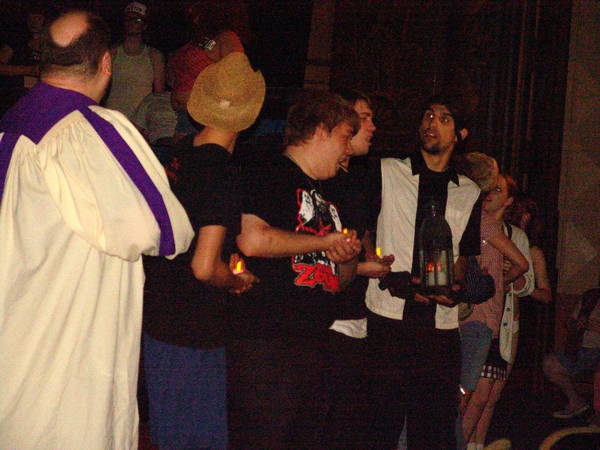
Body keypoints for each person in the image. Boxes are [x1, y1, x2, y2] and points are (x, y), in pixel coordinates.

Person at [0, 10, 193, 449]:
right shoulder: (88, 129)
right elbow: (166, 230)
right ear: (106, 62)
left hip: (16, 338)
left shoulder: (12, 123)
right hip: (66, 354)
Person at [142, 51, 264, 450]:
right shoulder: (221, 172)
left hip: (159, 319)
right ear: (247, 117)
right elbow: (204, 266)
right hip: (194, 330)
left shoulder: (176, 157)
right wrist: (235, 281)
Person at [230, 91, 362, 448]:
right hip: (267, 341)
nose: (348, 149)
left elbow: (339, 282)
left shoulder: (331, 191)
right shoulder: (270, 172)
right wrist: (322, 242)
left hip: (314, 340)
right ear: (319, 131)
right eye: (345, 137)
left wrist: (346, 255)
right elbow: (252, 240)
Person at [365, 93, 482, 449]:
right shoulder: (387, 170)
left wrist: (455, 287)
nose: (432, 124)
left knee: (433, 430)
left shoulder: (469, 191)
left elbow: (464, 253)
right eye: (428, 115)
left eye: (444, 119)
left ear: (460, 134)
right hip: (388, 318)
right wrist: (382, 270)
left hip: (439, 327)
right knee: (378, 425)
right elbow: (361, 229)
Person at [322, 88, 394, 448]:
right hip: (329, 318)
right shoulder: (323, 181)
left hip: (356, 311)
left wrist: (372, 258)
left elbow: (359, 232)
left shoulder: (360, 180)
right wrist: (362, 267)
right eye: (364, 118)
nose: (372, 127)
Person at [459, 171, 530, 449]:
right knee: (472, 394)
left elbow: (526, 278)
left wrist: (503, 279)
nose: (490, 194)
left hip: (498, 319)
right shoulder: (477, 221)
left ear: (509, 200)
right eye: (489, 188)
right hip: (475, 316)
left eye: (498, 190)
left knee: (485, 396)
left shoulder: (512, 233)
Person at [168, 0, 247, 136]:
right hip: (182, 116)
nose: (192, 15)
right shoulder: (203, 41)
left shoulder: (226, 38)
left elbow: (236, 76)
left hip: (204, 119)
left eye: (197, 11)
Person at [544, 287, 600, 419]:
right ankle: (576, 401)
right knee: (550, 364)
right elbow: (570, 321)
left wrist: (596, 327)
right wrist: (575, 324)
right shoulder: (590, 296)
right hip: (580, 350)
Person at [105, 2, 165, 120]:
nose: (131, 23)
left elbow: (159, 95)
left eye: (136, 20)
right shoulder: (112, 53)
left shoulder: (154, 56)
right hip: (114, 118)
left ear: (144, 25)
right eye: (128, 19)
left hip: (141, 121)